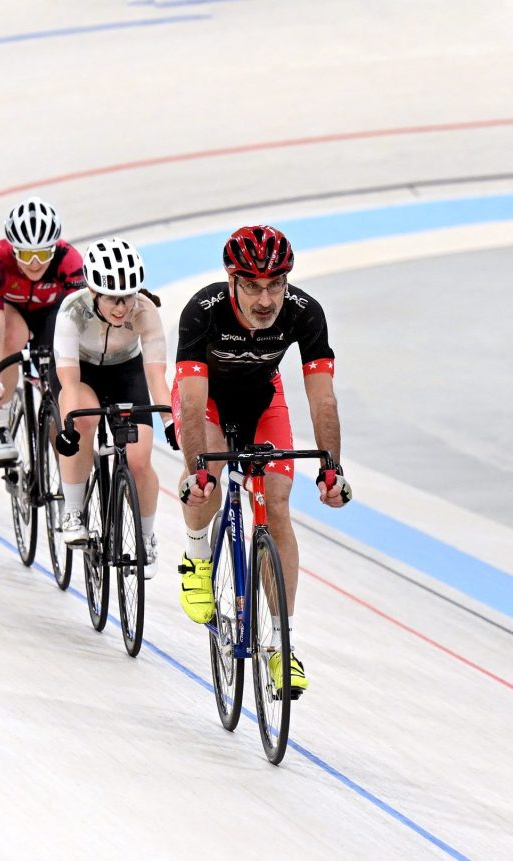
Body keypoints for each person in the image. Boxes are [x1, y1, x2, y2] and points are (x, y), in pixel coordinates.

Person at [173, 224, 353, 696]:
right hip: (207, 400)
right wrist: (197, 469)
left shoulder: (305, 313)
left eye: (275, 285)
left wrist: (332, 468)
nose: (265, 299)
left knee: (276, 502)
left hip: (261, 398)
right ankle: (196, 555)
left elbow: (323, 401)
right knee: (206, 476)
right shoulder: (202, 311)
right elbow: (191, 405)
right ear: (231, 281)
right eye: (252, 286)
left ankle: (280, 646)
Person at [51, 238, 174, 579]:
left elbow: (156, 374)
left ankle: (146, 536)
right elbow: (70, 382)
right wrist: (67, 427)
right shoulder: (72, 311)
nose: (122, 308)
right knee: (84, 422)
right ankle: (73, 511)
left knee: (138, 460)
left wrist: (169, 421)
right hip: (81, 371)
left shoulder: (146, 311)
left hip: (126, 372)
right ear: (94, 292)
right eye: (112, 299)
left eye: (128, 297)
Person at [0, 197, 85, 462]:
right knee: (11, 334)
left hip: (50, 313)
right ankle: (0, 426)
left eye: (42, 254)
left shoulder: (69, 260)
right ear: (12, 249)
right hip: (11, 312)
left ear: (55, 248)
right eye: (25, 254)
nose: (34, 263)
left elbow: (80, 323)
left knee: (60, 363)